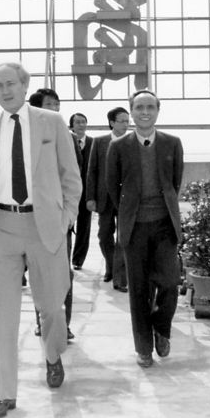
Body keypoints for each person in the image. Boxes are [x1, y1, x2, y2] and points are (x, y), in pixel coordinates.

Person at [0, 62, 81, 418]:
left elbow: (71, 178)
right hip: (1, 226)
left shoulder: (51, 122)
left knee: (52, 306)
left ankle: (53, 354)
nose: (5, 90)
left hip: (45, 227)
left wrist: (65, 219)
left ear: (25, 85)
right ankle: (4, 393)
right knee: (1, 314)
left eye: (10, 83)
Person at [105, 90, 184, 369]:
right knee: (138, 290)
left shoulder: (172, 143)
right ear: (131, 112)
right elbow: (112, 186)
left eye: (150, 107)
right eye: (139, 107)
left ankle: (161, 328)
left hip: (164, 225)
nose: (145, 112)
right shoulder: (119, 146)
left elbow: (175, 183)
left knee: (170, 283)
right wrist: (129, 211)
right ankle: (144, 348)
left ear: (158, 111)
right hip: (135, 227)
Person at [29, 89, 79, 342]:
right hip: (27, 217)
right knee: (37, 272)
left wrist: (69, 214)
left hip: (57, 217)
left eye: (57, 105)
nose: (55, 109)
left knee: (62, 273)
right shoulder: (22, 135)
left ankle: (63, 324)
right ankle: (43, 319)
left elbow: (73, 176)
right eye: (50, 105)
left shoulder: (66, 136)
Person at [85, 107, 130, 291]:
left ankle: (120, 278)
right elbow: (92, 171)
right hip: (104, 197)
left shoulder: (133, 142)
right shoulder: (100, 142)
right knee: (104, 235)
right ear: (112, 122)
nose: (126, 124)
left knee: (123, 238)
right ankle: (111, 266)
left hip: (126, 198)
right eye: (122, 121)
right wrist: (90, 197)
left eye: (127, 121)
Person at [69, 112, 93, 270]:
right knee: (67, 225)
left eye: (83, 121)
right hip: (69, 191)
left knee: (84, 227)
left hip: (86, 192)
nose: (81, 125)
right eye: (77, 122)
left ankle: (78, 260)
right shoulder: (65, 141)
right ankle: (65, 256)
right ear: (72, 125)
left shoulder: (93, 143)